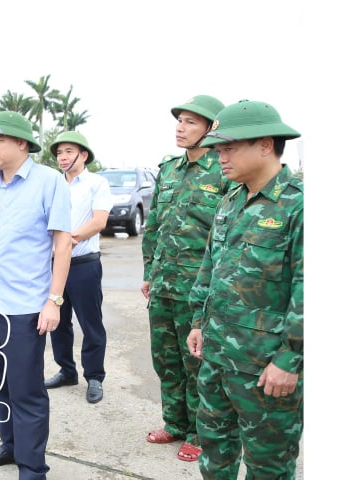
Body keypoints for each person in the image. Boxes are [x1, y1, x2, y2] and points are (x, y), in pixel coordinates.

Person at [187, 100, 303, 479]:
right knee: (214, 454)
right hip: (218, 359)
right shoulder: (230, 201)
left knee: (268, 465)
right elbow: (210, 269)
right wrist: (198, 321)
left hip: (265, 368)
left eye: (229, 148)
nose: (220, 157)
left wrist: (290, 359)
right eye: (218, 149)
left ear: (266, 145)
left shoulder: (299, 206)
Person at [0, 111, 74, 480]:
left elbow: (62, 244)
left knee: (26, 391)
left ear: (22, 144)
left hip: (26, 307)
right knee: (0, 385)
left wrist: (53, 300)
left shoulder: (48, 182)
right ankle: (9, 446)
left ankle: (32, 466)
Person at [140, 94, 230, 462]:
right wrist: (149, 271)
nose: (181, 127)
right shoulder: (169, 169)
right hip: (163, 284)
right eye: (180, 121)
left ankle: (199, 431)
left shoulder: (222, 171)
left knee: (198, 365)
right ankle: (175, 423)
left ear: (211, 129)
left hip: (198, 289)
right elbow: (154, 224)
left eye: (192, 122)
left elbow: (225, 236)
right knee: (166, 360)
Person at [43, 131, 113, 404]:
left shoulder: (97, 183)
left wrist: (69, 241)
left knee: (90, 322)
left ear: (83, 155)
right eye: (59, 152)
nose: (63, 157)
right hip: (52, 266)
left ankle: (94, 377)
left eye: (69, 151)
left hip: (84, 265)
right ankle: (66, 370)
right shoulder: (51, 184)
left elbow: (99, 221)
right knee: (57, 320)